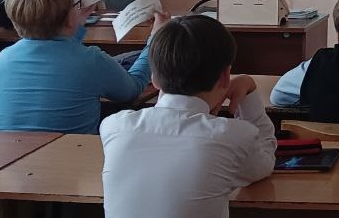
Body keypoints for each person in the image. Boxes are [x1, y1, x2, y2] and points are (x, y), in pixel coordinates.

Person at [100, 15, 276, 218]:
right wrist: (249, 88)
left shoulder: (114, 126)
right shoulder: (233, 136)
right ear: (225, 76)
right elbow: (265, 162)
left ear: (154, 78)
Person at [0, 0, 153, 134]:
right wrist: (155, 41)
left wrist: (76, 22)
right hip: (71, 150)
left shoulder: (2, 60)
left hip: (9, 151)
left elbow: (62, 51)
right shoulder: (90, 61)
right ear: (68, 16)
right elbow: (132, 89)